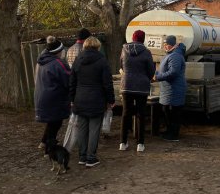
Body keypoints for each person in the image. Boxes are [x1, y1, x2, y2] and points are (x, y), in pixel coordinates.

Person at [69, 36, 115, 167]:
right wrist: (111, 99)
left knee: (82, 128)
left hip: (80, 98)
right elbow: (107, 83)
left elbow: (72, 81)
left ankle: (82, 156)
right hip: (96, 99)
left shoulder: (78, 60)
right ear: (98, 46)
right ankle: (91, 157)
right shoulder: (102, 61)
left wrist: (71, 98)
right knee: (94, 129)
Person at [119, 30, 155, 152]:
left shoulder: (124, 50)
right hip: (141, 86)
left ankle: (123, 142)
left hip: (126, 85)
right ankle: (140, 144)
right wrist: (147, 78)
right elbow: (151, 70)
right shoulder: (146, 52)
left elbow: (121, 66)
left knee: (125, 113)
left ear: (133, 38)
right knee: (141, 114)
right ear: (143, 39)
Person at [34, 36, 71, 155]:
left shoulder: (42, 61)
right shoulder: (57, 63)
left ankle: (43, 142)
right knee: (56, 123)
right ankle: (49, 150)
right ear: (58, 52)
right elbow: (68, 81)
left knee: (52, 122)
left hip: (42, 95)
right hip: (54, 98)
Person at [154, 35, 186, 142]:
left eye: (167, 44)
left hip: (174, 89)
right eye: (164, 44)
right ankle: (169, 131)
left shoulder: (175, 56)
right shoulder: (171, 54)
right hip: (169, 90)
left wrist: (158, 77)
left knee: (173, 113)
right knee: (167, 110)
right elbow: (165, 70)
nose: (165, 46)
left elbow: (173, 72)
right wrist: (155, 73)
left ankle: (173, 135)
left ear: (172, 45)